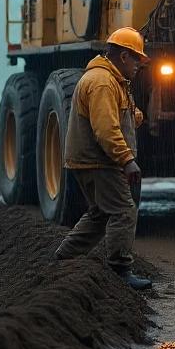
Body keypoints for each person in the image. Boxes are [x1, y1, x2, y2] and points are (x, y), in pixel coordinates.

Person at [54, 27, 153, 289]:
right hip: (100, 162)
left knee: (99, 213)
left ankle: (64, 257)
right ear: (123, 57)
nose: (139, 67)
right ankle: (120, 270)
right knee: (123, 210)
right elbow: (106, 130)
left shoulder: (112, 80)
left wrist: (136, 117)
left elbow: (118, 116)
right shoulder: (102, 82)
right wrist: (127, 160)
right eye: (137, 60)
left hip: (93, 160)